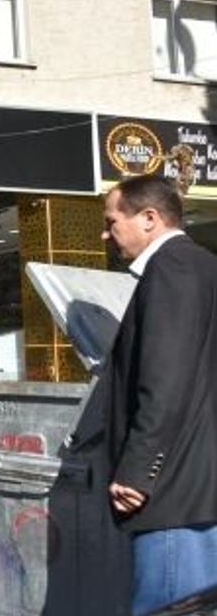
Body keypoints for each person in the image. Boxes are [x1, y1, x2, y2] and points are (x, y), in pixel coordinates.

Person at [101, 174, 217, 615]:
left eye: (112, 221)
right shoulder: (205, 265)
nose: (106, 233)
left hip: (174, 492)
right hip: (198, 484)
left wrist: (137, 471)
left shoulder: (170, 269)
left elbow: (165, 380)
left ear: (149, 218)